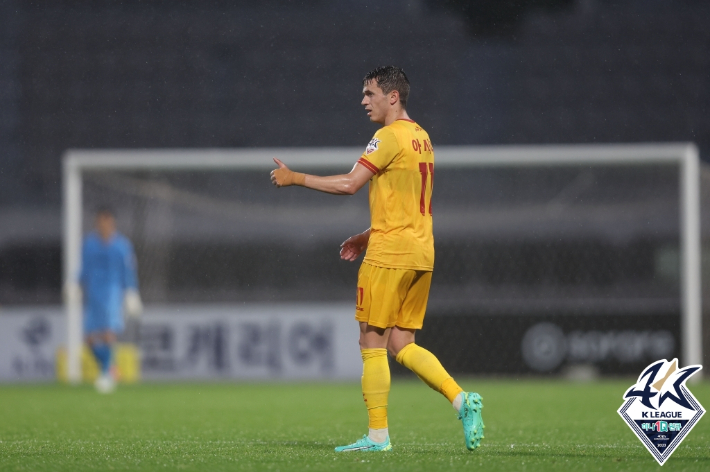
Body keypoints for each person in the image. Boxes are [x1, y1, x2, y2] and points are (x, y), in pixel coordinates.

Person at [270, 66, 484, 452]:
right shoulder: (422, 137)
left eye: (370, 94)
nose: (363, 101)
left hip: (391, 254)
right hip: (421, 251)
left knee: (371, 342)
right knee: (402, 343)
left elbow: (350, 184)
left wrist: (296, 178)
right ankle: (461, 399)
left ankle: (377, 437)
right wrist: (367, 234)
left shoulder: (386, 137)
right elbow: (404, 202)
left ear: (393, 97)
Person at [78, 207, 142, 393]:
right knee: (89, 339)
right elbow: (83, 267)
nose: (104, 225)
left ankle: (106, 374)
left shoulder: (122, 246)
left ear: (112, 223)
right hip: (94, 294)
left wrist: (131, 292)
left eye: (107, 221)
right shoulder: (89, 244)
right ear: (97, 223)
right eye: (100, 222)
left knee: (108, 333)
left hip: (113, 293)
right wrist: (74, 283)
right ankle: (110, 367)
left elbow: (128, 271)